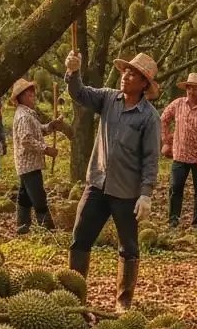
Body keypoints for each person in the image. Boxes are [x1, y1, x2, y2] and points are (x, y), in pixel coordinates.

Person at [65, 49, 161, 310]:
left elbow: (151, 158)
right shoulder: (108, 99)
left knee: (128, 247)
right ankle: (75, 298)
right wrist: (74, 72)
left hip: (126, 192)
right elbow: (80, 93)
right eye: (125, 71)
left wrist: (146, 193)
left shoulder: (149, 117)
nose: (125, 76)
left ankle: (123, 303)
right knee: (80, 238)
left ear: (144, 84)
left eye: (133, 74)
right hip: (97, 183)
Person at [161, 71, 197, 229]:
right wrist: (167, 140)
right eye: (189, 88)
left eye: (195, 88)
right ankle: (173, 219)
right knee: (175, 188)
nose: (192, 91)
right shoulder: (178, 104)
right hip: (179, 154)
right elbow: (163, 119)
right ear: (186, 89)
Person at [10, 78, 61, 233]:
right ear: (23, 97)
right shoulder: (23, 116)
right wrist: (46, 149)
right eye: (31, 95)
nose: (34, 98)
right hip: (29, 164)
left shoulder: (27, 114)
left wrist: (51, 126)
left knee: (25, 196)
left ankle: (22, 226)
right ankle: (47, 228)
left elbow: (38, 130)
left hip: (28, 164)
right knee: (39, 197)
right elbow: (26, 139)